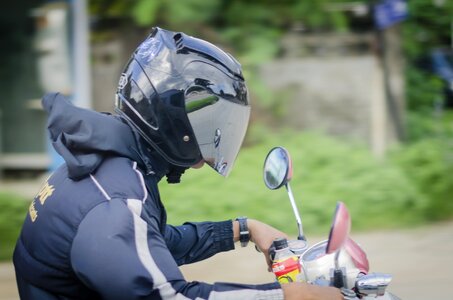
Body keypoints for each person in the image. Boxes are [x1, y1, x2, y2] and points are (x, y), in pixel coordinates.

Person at [13, 27, 342, 300]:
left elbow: (148, 242)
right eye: (204, 126)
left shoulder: (107, 162)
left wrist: (245, 229)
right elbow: (170, 296)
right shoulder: (117, 200)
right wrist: (287, 296)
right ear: (174, 124)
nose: (210, 143)